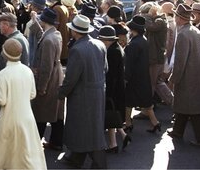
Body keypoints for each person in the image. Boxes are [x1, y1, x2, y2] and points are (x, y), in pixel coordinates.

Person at [58, 15, 108, 169]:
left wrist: (61, 94)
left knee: (85, 128)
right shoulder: (99, 44)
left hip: (82, 95)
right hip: (98, 92)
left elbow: (71, 78)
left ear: (74, 32)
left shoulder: (77, 50)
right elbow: (105, 68)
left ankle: (99, 163)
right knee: (90, 127)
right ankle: (76, 157)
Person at [0, 38, 46, 170]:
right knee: (26, 153)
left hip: (8, 118)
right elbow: (32, 94)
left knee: (5, 153)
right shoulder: (27, 71)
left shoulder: (3, 74)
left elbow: (1, 100)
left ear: (5, 53)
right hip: (26, 118)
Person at [167, 4, 200, 146]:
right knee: (184, 107)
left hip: (187, 78)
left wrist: (173, 78)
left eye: (175, 16)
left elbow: (180, 61)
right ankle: (178, 131)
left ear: (179, 18)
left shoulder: (183, 35)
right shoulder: (195, 31)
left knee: (193, 109)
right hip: (197, 75)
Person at [30, 8, 64, 150]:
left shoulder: (49, 40)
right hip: (57, 76)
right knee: (56, 113)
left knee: (41, 111)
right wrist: (34, 22)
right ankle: (56, 142)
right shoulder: (55, 34)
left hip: (49, 80)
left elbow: (46, 67)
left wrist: (42, 87)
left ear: (44, 21)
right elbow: (41, 35)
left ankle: (35, 143)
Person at [123, 16, 161, 136]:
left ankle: (128, 123)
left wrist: (125, 78)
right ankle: (155, 123)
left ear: (133, 30)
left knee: (128, 102)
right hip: (143, 76)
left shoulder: (133, 44)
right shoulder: (143, 40)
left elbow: (129, 64)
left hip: (134, 78)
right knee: (146, 103)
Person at [98, 25, 127, 154]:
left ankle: (114, 143)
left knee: (110, 115)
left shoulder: (112, 52)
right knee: (112, 116)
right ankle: (115, 142)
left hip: (113, 90)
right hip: (118, 89)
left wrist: (107, 92)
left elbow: (111, 75)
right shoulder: (117, 48)